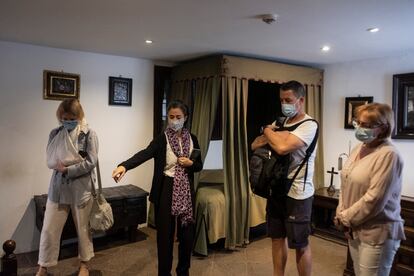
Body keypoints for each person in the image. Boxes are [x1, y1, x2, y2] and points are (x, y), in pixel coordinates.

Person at [112, 100, 203, 276]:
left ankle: (183, 272)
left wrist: (191, 163)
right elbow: (144, 154)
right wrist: (124, 166)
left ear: (186, 118)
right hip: (166, 188)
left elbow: (199, 165)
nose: (174, 120)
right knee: (165, 238)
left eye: (178, 117)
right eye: (171, 117)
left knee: (186, 236)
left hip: (185, 189)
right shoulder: (162, 139)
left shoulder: (193, 139)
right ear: (167, 118)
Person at [251, 80, 318, 276]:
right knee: (277, 239)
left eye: (288, 100)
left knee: (300, 244)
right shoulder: (279, 123)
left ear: (301, 100)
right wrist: (271, 132)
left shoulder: (309, 125)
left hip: (298, 193)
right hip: (276, 188)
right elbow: (255, 145)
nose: (284, 104)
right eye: (281, 100)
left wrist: (268, 131)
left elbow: (281, 147)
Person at [335, 103, 405, 276]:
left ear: (383, 128)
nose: (360, 128)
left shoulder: (389, 155)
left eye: (366, 125)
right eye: (358, 123)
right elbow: (346, 182)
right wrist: (342, 213)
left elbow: (374, 199)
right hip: (354, 228)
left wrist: (345, 218)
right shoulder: (359, 148)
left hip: (377, 232)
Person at [37, 99, 98, 276]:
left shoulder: (89, 134)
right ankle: (43, 265)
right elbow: (50, 160)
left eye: (72, 118)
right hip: (58, 188)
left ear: (79, 116)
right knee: (49, 229)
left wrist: (68, 169)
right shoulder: (55, 134)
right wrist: (63, 167)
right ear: (60, 117)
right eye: (64, 118)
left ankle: (84, 265)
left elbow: (91, 161)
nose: (68, 121)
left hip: (81, 189)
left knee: (83, 229)